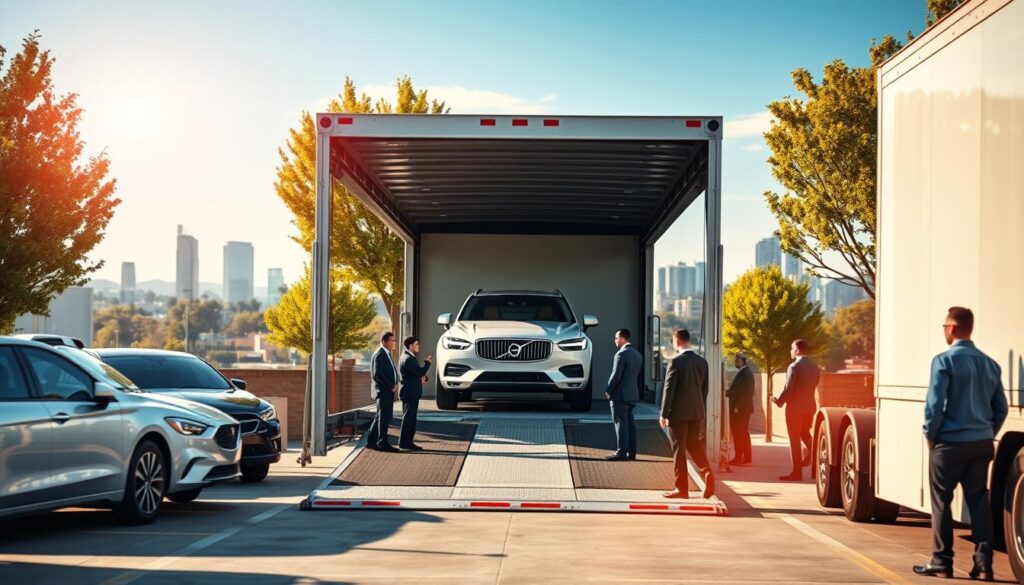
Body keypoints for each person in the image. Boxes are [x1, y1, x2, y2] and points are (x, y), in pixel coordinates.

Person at [913, 307, 1008, 580]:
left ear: (952, 328)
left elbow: (934, 406)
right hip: (981, 444)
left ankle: (941, 562)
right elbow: (1000, 408)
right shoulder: (990, 364)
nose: (944, 331)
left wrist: (931, 436)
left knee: (941, 502)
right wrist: (986, 432)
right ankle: (983, 564)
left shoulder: (943, 361)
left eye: (944, 326)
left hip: (949, 445)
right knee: (979, 500)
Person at [660, 328, 714, 499]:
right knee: (694, 444)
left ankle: (681, 489)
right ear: (688, 340)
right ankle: (707, 472)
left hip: (678, 414)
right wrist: (700, 410)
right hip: (696, 412)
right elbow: (705, 390)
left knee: (679, 449)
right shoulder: (702, 362)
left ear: (677, 341)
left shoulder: (675, 362)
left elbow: (669, 389)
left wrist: (663, 413)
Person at [773, 339, 820, 481]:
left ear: (798, 350)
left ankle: (797, 472)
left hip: (795, 410)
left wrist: (778, 401)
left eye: (792, 348)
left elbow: (788, 389)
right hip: (810, 407)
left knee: (794, 440)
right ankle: (814, 459)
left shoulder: (794, 366)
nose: (791, 351)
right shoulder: (814, 366)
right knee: (805, 434)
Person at [605, 329, 642, 461]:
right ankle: (631, 453)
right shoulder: (637, 355)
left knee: (620, 424)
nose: (614, 341)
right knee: (630, 425)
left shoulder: (621, 354)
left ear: (621, 338)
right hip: (632, 395)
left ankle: (621, 453)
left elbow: (616, 376)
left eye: (616, 338)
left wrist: (608, 390)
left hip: (619, 396)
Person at [365, 332, 400, 452]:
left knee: (380, 416)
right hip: (383, 391)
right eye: (392, 340)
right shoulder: (380, 354)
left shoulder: (386, 354)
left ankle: (371, 441)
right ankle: (383, 443)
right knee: (384, 417)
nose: (394, 343)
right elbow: (377, 374)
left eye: (394, 340)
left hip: (386, 391)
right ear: (384, 341)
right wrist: (391, 386)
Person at [398, 336, 432, 451]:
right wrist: (427, 363)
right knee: (408, 419)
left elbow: (415, 374)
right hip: (410, 393)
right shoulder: (408, 358)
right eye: (416, 344)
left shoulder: (408, 357)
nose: (418, 346)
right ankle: (404, 442)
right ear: (410, 346)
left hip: (411, 392)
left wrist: (424, 378)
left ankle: (408, 442)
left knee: (411, 419)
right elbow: (420, 372)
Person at [726, 353, 755, 466]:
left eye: (737, 361)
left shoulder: (745, 373)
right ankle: (743, 458)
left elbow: (741, 392)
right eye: (735, 361)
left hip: (741, 409)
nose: (735, 363)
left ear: (743, 361)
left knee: (740, 434)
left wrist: (737, 406)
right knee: (741, 434)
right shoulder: (744, 372)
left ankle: (741, 459)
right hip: (742, 409)